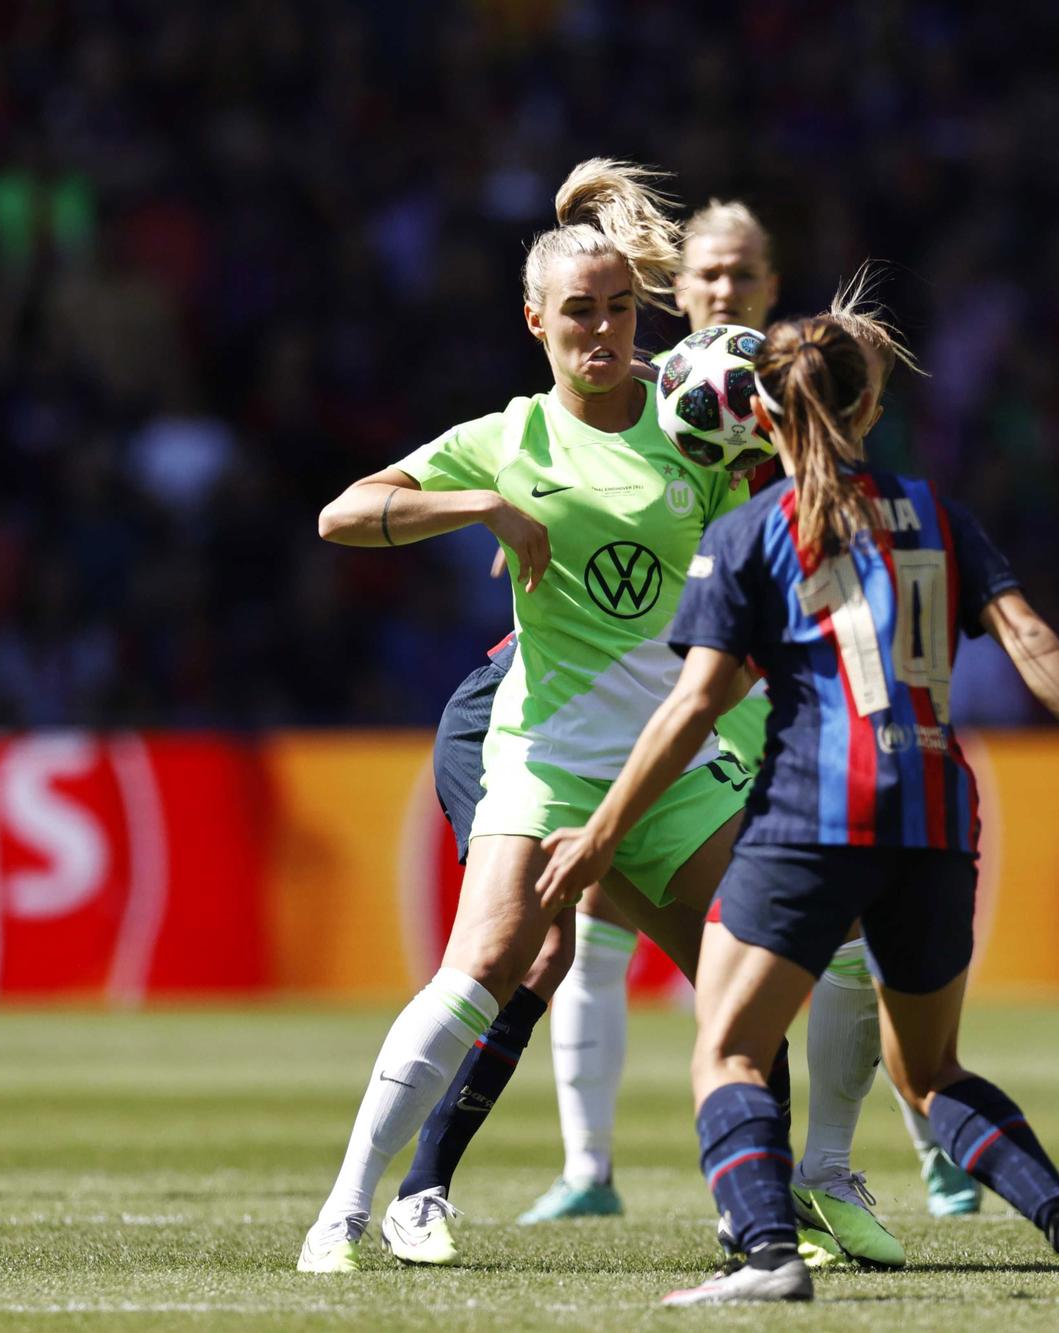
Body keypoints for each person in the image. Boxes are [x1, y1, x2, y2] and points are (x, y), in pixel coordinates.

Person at [534, 313, 1059, 1305]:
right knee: (934, 1072)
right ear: (867, 404)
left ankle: (767, 1254)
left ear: (757, 413)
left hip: (810, 812)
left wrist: (602, 831)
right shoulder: (935, 513)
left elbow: (696, 704)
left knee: (729, 1049)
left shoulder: (751, 531)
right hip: (939, 815)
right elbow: (1028, 634)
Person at [380, 208, 914, 1273]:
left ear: (766, 289)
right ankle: (425, 1187)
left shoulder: (758, 411)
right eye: (702, 275)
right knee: (540, 951)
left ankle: (806, 1179)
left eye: (738, 277)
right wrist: (504, 504)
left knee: (785, 956)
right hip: (529, 707)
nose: (717, 293)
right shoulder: (647, 385)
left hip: (685, 714)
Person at [297, 159, 764, 1273]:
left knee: (759, 977)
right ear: (533, 322)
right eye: (576, 314)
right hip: (548, 753)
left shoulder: (693, 421)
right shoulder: (506, 436)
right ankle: (345, 1211)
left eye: (616, 310)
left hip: (667, 759)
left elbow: (754, 549)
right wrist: (483, 507)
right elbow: (341, 515)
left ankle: (784, 1208)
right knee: (487, 963)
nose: (599, 331)